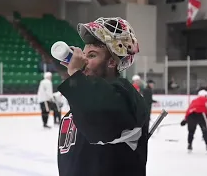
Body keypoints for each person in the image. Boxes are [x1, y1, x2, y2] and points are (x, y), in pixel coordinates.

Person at [57, 17, 149, 176]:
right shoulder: (81, 104)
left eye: (91, 55)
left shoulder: (124, 95)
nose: (83, 61)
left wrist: (76, 76)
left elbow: (99, 123)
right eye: (83, 54)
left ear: (112, 62)